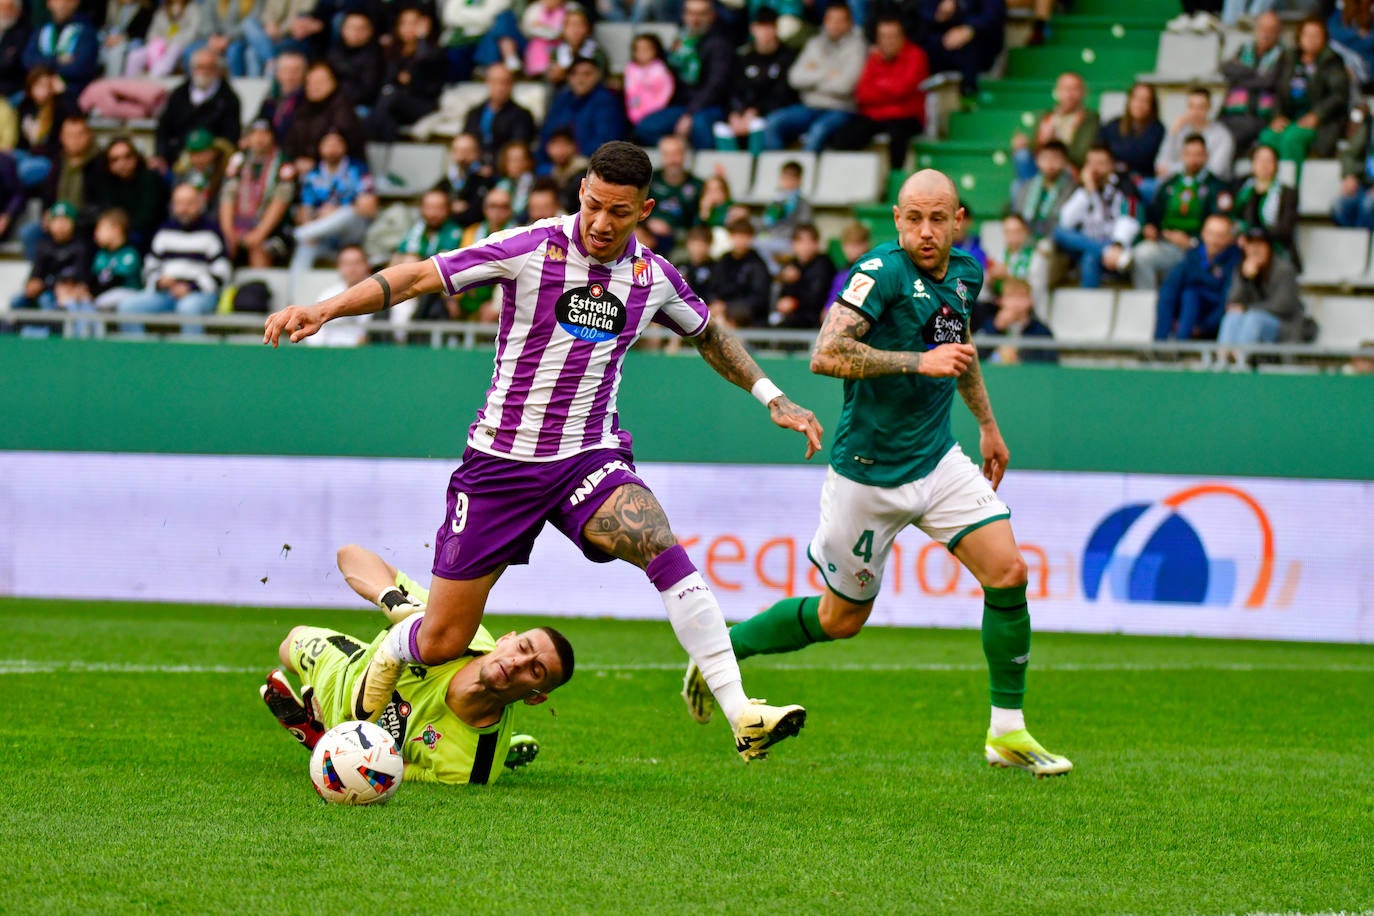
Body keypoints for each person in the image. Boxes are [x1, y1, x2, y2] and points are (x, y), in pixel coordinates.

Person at [264, 141, 824, 762]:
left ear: (645, 209)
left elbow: (709, 334)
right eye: (593, 205)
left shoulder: (653, 278)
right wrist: (326, 308)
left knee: (658, 543)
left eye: (619, 211)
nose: (602, 223)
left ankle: (741, 710)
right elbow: (422, 275)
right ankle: (396, 650)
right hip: (500, 467)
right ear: (580, 190)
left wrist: (771, 395)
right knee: (445, 637)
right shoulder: (532, 247)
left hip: (588, 459)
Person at [683, 168, 1072, 778]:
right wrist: (918, 362)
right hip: (866, 475)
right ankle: (725, 651)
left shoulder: (966, 274)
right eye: (913, 218)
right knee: (842, 621)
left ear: (958, 220)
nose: (925, 230)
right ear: (897, 219)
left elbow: (958, 347)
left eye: (937, 218)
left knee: (1009, 572)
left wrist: (988, 426)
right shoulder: (880, 273)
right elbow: (826, 354)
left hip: (938, 460)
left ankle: (1007, 731)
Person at [260, 542, 573, 783]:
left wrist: (326, 744)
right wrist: (393, 600)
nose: (519, 662)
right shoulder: (459, 633)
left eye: (535, 670)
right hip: (346, 671)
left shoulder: (470, 770)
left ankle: (502, 750)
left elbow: (391, 773)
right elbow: (350, 555)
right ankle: (510, 747)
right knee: (290, 642)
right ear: (506, 640)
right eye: (523, 647)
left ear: (536, 698)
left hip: (345, 725)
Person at [117, 182, 231, 335]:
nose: (184, 209)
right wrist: (160, 281)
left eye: (189, 203)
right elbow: (149, 268)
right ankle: (139, 356)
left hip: (199, 293)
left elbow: (222, 272)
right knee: (128, 307)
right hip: (166, 293)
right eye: (179, 203)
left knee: (188, 308)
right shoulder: (164, 231)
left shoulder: (212, 232)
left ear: (200, 204)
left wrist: (191, 287)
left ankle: (191, 358)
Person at [761, 4, 865, 153]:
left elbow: (845, 86)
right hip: (809, 107)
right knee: (772, 123)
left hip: (840, 109)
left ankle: (805, 175)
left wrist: (813, 76)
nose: (834, 24)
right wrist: (828, 74)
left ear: (849, 23)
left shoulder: (858, 46)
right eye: (831, 19)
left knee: (817, 131)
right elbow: (795, 78)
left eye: (839, 20)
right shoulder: (814, 43)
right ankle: (779, 173)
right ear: (825, 21)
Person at [631, 0, 735, 149]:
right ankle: (675, 151)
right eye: (691, 13)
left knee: (699, 124)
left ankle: (704, 165)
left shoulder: (720, 43)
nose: (695, 19)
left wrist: (690, 114)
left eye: (701, 14)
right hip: (681, 106)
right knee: (645, 127)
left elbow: (716, 86)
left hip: (710, 106)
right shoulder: (681, 41)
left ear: (712, 16)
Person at [829, 16, 928, 172]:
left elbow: (902, 89)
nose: (888, 41)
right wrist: (889, 87)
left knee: (898, 136)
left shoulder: (916, 55)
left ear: (902, 37)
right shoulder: (874, 58)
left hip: (905, 116)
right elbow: (862, 93)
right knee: (843, 135)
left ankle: (895, 182)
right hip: (875, 116)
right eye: (883, 36)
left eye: (892, 36)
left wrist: (878, 85)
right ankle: (851, 178)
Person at [1132, 134, 1228, 290]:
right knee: (1140, 255)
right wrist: (1151, 229)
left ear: (1206, 156)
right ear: (1182, 155)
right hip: (1166, 242)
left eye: (1198, 154)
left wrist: (1192, 242)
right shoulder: (1170, 184)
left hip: (1200, 249)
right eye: (1189, 154)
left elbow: (1221, 224)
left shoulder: (1216, 187)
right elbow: (1153, 215)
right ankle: (1147, 303)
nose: (1193, 159)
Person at [1257, 17, 1350, 177]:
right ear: (1299, 37)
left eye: (1316, 35)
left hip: (1321, 124)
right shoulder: (1289, 58)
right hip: (1290, 119)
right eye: (1307, 35)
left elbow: (1338, 95)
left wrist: (1317, 115)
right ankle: (1270, 187)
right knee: (1267, 136)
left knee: (1292, 138)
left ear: (1324, 38)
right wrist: (1277, 116)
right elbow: (1277, 91)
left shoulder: (1332, 61)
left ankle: (1290, 188)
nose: (1311, 40)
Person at [289, 128, 378, 280]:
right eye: (327, 144)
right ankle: (293, 300)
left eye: (336, 143)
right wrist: (318, 216)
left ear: (345, 147)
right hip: (324, 236)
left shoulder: (358, 169)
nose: (332, 148)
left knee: (347, 213)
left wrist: (335, 211)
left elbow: (370, 208)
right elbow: (305, 210)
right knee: (304, 248)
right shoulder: (313, 174)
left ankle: (299, 234)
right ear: (320, 147)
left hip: (352, 233)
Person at [1051, 144, 1140, 288]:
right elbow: (1066, 221)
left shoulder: (1125, 185)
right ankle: (1102, 250)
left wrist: (1117, 245)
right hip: (1086, 243)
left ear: (1112, 165)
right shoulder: (1082, 188)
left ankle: (1088, 307)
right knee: (1058, 232)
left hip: (1114, 244)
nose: (1095, 169)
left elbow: (1129, 219)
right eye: (1091, 163)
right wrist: (1087, 192)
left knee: (1090, 258)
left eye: (1100, 163)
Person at [1215, 225, 1305, 367]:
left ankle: (1240, 361)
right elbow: (1233, 303)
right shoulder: (1242, 269)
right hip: (1248, 324)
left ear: (1268, 247)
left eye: (1260, 244)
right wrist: (1245, 278)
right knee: (1232, 318)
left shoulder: (1284, 269)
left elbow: (1284, 305)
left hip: (1282, 327)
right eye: (1251, 244)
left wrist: (1247, 308)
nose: (1255, 249)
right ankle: (1221, 361)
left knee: (1254, 318)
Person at [711, 7, 797, 155]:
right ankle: (733, 168)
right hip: (743, 112)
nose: (765, 33)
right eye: (761, 28)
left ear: (776, 29)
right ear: (753, 29)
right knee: (720, 128)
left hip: (770, 112)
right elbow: (734, 90)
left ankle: (756, 166)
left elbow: (783, 94)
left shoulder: (788, 57)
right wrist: (735, 113)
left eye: (769, 28)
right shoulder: (743, 57)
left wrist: (757, 111)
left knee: (759, 125)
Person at [1153, 212, 1241, 344]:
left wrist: (1202, 328)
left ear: (1230, 238)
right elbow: (1169, 291)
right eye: (1211, 234)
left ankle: (1180, 345)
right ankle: (1162, 346)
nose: (1214, 240)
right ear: (1203, 233)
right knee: (1188, 293)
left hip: (1214, 322)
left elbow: (1227, 299)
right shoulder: (1192, 256)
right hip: (1186, 316)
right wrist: (1161, 335)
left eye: (1220, 235)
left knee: (1191, 294)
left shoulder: (1235, 261)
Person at [220, 118, 296, 267]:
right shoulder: (238, 162)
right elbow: (227, 196)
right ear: (247, 138)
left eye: (264, 134)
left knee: (259, 247)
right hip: (240, 224)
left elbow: (281, 200)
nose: (259, 138)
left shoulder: (283, 162)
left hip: (273, 230)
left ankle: (258, 288)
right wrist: (229, 231)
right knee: (225, 244)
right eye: (255, 134)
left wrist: (258, 234)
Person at [364, 6, 445, 143]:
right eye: (404, 23)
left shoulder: (433, 51)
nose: (408, 28)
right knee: (387, 119)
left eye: (413, 23)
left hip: (423, 102)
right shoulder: (393, 51)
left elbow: (425, 79)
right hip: (395, 103)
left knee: (390, 98)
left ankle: (367, 142)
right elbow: (387, 81)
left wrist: (422, 39)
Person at [155, 48, 241, 169]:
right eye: (200, 67)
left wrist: (210, 153)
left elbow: (231, 136)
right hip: (178, 157)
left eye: (209, 67)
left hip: (213, 161)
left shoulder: (229, 98)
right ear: (192, 69)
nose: (204, 72)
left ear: (217, 70)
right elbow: (163, 129)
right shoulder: (178, 95)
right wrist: (161, 155)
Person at [1219, 11, 1290, 157]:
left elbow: (1270, 82)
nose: (1266, 34)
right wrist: (1256, 73)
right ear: (1256, 30)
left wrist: (1242, 77)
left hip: (1260, 116)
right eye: (1263, 29)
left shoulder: (1284, 55)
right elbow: (1226, 69)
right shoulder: (1244, 50)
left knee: (1230, 139)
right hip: (1232, 113)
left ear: (1278, 33)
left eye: (1271, 30)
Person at [539, 57, 627, 162]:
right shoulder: (562, 99)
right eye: (574, 74)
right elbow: (546, 134)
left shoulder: (606, 102)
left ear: (597, 76)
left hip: (591, 162)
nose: (580, 79)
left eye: (587, 74)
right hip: (554, 162)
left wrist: (574, 152)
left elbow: (606, 143)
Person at [1225, 143, 1298, 265]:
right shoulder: (1240, 188)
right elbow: (1231, 217)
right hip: (1242, 244)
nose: (1264, 165)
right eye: (1259, 160)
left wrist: (1256, 238)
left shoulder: (1288, 193)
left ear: (1276, 165)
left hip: (1275, 245)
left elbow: (1285, 228)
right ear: (1252, 164)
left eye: (1269, 160)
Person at [1154, 86, 1235, 190]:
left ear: (1209, 108)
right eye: (1191, 106)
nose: (1196, 112)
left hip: (1210, 188)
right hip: (1179, 184)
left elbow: (1215, 171)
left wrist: (1172, 169)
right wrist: (1172, 134)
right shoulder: (1179, 130)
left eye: (1201, 107)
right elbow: (1160, 165)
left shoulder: (1222, 136)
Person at [921, 0, 1005, 97]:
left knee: (972, 48)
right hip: (943, 37)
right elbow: (923, 13)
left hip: (978, 42)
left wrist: (970, 29)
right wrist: (938, 15)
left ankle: (969, 93)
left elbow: (993, 14)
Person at [461, 63, 535, 171]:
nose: (500, 88)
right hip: (474, 170)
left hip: (503, 171)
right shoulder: (474, 113)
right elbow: (467, 139)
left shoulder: (522, 115)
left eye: (505, 82)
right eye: (495, 82)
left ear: (512, 85)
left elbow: (517, 147)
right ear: (487, 83)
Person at [22, 0, 100, 96]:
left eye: (67, 1)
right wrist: (57, 61)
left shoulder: (86, 32)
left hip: (72, 93)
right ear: (49, 3)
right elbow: (28, 60)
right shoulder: (42, 30)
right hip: (37, 91)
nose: (62, 4)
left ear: (76, 2)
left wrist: (47, 73)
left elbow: (80, 67)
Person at [709, 215, 772, 327]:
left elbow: (758, 300)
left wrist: (727, 307)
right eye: (737, 235)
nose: (740, 240)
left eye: (744, 236)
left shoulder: (757, 264)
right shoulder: (724, 260)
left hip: (748, 317)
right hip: (720, 311)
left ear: (750, 238)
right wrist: (715, 303)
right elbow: (713, 288)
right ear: (731, 236)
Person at [303, 244, 372, 346]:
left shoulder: (379, 292)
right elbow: (315, 330)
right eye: (347, 263)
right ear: (339, 267)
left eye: (357, 263)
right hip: (330, 353)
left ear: (367, 265)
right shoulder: (328, 294)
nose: (352, 268)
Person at [1097, 82, 1165, 185]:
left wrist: (1113, 159)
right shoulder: (1113, 124)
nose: (1139, 104)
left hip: (1140, 180)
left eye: (1145, 100)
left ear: (1152, 105)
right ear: (1129, 100)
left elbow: (1142, 156)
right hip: (1109, 177)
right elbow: (1097, 147)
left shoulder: (1157, 129)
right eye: (1136, 99)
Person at [643, 134, 699, 253]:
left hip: (682, 241)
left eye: (676, 153)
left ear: (684, 155)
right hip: (648, 236)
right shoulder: (648, 181)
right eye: (667, 154)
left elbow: (699, 221)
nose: (672, 159)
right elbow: (635, 210)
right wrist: (648, 222)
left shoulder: (697, 185)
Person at [979, 276, 1056, 364]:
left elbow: (1049, 363)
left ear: (1030, 301)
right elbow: (976, 357)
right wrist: (996, 327)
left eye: (1021, 297)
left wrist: (1019, 357)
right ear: (1000, 301)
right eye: (1011, 296)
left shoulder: (1041, 331)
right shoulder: (989, 325)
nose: (1016, 303)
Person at [772, 222, 834, 329]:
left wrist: (795, 302)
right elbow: (781, 296)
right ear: (793, 244)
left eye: (809, 242)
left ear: (816, 244)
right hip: (790, 317)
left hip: (815, 321)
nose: (805, 247)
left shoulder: (823, 264)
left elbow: (816, 299)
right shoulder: (791, 265)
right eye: (800, 242)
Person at [1011, 139, 1074, 239]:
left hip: (1054, 237)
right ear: (1037, 160)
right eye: (1046, 158)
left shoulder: (1071, 189)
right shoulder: (1026, 187)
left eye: (1056, 159)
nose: (1050, 163)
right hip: (1027, 235)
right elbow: (1020, 215)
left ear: (1065, 162)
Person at [325, 12, 384, 111]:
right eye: (351, 27)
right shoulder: (334, 51)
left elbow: (368, 91)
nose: (355, 32)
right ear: (343, 29)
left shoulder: (375, 57)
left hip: (356, 106)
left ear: (369, 32)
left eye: (360, 29)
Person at [623, 32, 675, 131]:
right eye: (638, 49)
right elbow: (631, 94)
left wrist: (653, 110)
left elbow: (665, 92)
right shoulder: (630, 69)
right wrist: (635, 112)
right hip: (636, 112)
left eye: (647, 49)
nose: (643, 52)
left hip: (657, 111)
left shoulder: (661, 69)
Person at [0, 0, 32, 100]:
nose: (3, 12)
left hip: (11, 92)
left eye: (8, 8)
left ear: (18, 11)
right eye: (0, 7)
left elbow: (9, 64)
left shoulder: (25, 33)